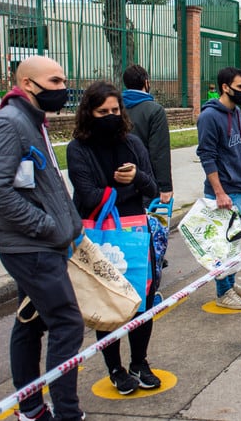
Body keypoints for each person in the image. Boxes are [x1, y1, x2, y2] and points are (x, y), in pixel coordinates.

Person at [0, 55, 85, 421]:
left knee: (30, 323)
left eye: (63, 81)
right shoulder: (9, 124)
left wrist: (69, 223)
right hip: (31, 247)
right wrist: (47, 227)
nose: (63, 89)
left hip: (43, 244)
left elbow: (45, 181)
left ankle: (31, 409)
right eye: (55, 82)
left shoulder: (33, 121)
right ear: (27, 84)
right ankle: (65, 414)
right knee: (67, 323)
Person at [67, 81, 161, 394]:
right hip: (98, 236)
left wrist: (137, 178)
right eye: (102, 111)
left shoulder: (132, 143)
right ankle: (116, 369)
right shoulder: (78, 149)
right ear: (88, 113)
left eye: (114, 110)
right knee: (107, 301)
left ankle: (139, 361)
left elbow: (152, 189)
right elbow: (89, 195)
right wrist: (127, 189)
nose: (110, 115)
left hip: (135, 233)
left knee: (141, 300)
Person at [196, 67, 241, 310]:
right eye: (240, 87)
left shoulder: (236, 112)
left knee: (240, 243)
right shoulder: (209, 117)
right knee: (224, 246)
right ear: (225, 87)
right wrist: (219, 192)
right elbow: (207, 156)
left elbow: (234, 146)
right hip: (225, 192)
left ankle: (231, 283)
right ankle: (223, 292)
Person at [122, 64, 173, 206]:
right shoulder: (155, 111)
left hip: (120, 179)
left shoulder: (115, 107)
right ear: (146, 82)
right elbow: (159, 152)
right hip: (146, 181)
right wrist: (165, 187)